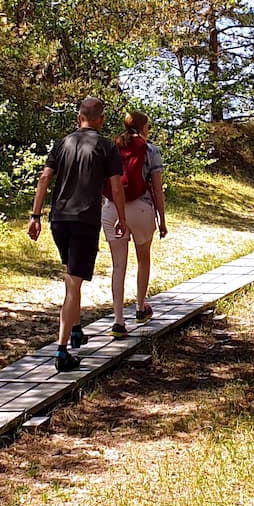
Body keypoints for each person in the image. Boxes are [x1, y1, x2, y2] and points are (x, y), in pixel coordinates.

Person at [27, 97, 128, 371]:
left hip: (59, 219)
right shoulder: (106, 146)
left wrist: (35, 216)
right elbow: (116, 188)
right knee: (73, 281)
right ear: (101, 120)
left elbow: (44, 178)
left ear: (78, 117)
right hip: (85, 220)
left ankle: (76, 330)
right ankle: (62, 352)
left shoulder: (62, 144)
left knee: (72, 277)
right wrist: (122, 218)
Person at [102, 110, 167, 336]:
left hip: (112, 209)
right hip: (141, 208)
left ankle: (118, 321)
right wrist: (162, 219)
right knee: (143, 259)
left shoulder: (112, 148)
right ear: (143, 127)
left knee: (118, 266)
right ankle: (140, 308)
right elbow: (157, 189)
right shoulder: (150, 150)